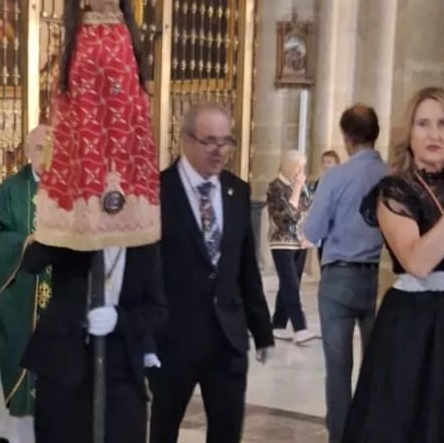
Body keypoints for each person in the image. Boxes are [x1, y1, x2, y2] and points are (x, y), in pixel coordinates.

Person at [0, 0, 206, 251]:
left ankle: (116, 175)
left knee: (122, 109)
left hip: (116, 41)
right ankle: (92, 180)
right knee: (86, 112)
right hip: (90, 43)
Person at [343, 87, 444, 443]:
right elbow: (417, 262)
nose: (434, 134)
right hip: (413, 323)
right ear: (409, 134)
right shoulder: (394, 191)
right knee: (406, 425)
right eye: (423, 124)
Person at [151, 103, 275, 443]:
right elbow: (147, 270)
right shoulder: (158, 191)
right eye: (209, 141)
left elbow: (245, 267)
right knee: (163, 429)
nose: (219, 150)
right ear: (185, 140)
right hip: (173, 338)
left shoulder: (237, 191)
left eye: (226, 141)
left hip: (227, 339)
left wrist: (262, 330)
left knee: (227, 430)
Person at [19, 239, 167, 443]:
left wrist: (119, 319)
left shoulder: (142, 243)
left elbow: (157, 309)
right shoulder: (72, 234)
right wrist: (65, 228)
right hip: (65, 361)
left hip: (120, 363)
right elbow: (32, 263)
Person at [302, 104, 386, 443]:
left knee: (338, 368)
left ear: (347, 137)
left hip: (339, 278)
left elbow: (313, 230)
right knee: (376, 365)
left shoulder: (336, 177)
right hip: (381, 278)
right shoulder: (391, 175)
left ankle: (340, 436)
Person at [0, 125, 52, 443]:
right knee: (16, 369)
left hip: (59, 302)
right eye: (39, 147)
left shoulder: (71, 190)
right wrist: (23, 243)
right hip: (19, 297)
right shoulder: (12, 190)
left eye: (53, 147)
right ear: (28, 151)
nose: (46, 154)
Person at [266, 149, 317, 345]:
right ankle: (300, 328)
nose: (300, 172)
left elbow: (310, 208)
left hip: (300, 242)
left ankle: (278, 325)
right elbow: (287, 216)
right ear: (288, 166)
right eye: (298, 167)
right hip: (282, 243)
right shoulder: (276, 187)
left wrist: (309, 236)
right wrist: (296, 190)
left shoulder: (303, 186)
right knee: (291, 285)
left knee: (289, 284)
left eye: (303, 167)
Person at [308, 149, 340, 265]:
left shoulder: (341, 182)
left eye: (329, 162)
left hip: (336, 227)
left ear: (337, 164)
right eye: (324, 162)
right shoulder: (318, 183)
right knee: (322, 258)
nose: (326, 165)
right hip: (323, 227)